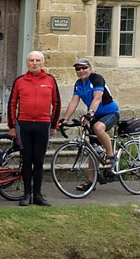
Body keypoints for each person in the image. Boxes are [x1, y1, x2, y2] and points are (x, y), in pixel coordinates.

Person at [7, 51, 60, 207]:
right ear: (27, 63)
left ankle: (38, 194)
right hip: (24, 124)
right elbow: (12, 103)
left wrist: (54, 124)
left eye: (37, 60)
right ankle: (26, 194)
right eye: (31, 60)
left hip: (43, 125)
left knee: (39, 161)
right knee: (27, 160)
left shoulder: (50, 80)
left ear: (42, 63)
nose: (34, 63)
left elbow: (56, 103)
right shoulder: (20, 81)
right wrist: (11, 126)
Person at [60, 58, 120, 191]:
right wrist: (64, 119)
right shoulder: (78, 84)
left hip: (110, 112)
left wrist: (90, 113)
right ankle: (90, 182)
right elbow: (74, 102)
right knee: (92, 148)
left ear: (90, 68)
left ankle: (111, 156)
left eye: (84, 68)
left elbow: (97, 98)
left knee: (98, 127)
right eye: (78, 69)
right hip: (94, 115)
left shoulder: (97, 78)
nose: (81, 71)